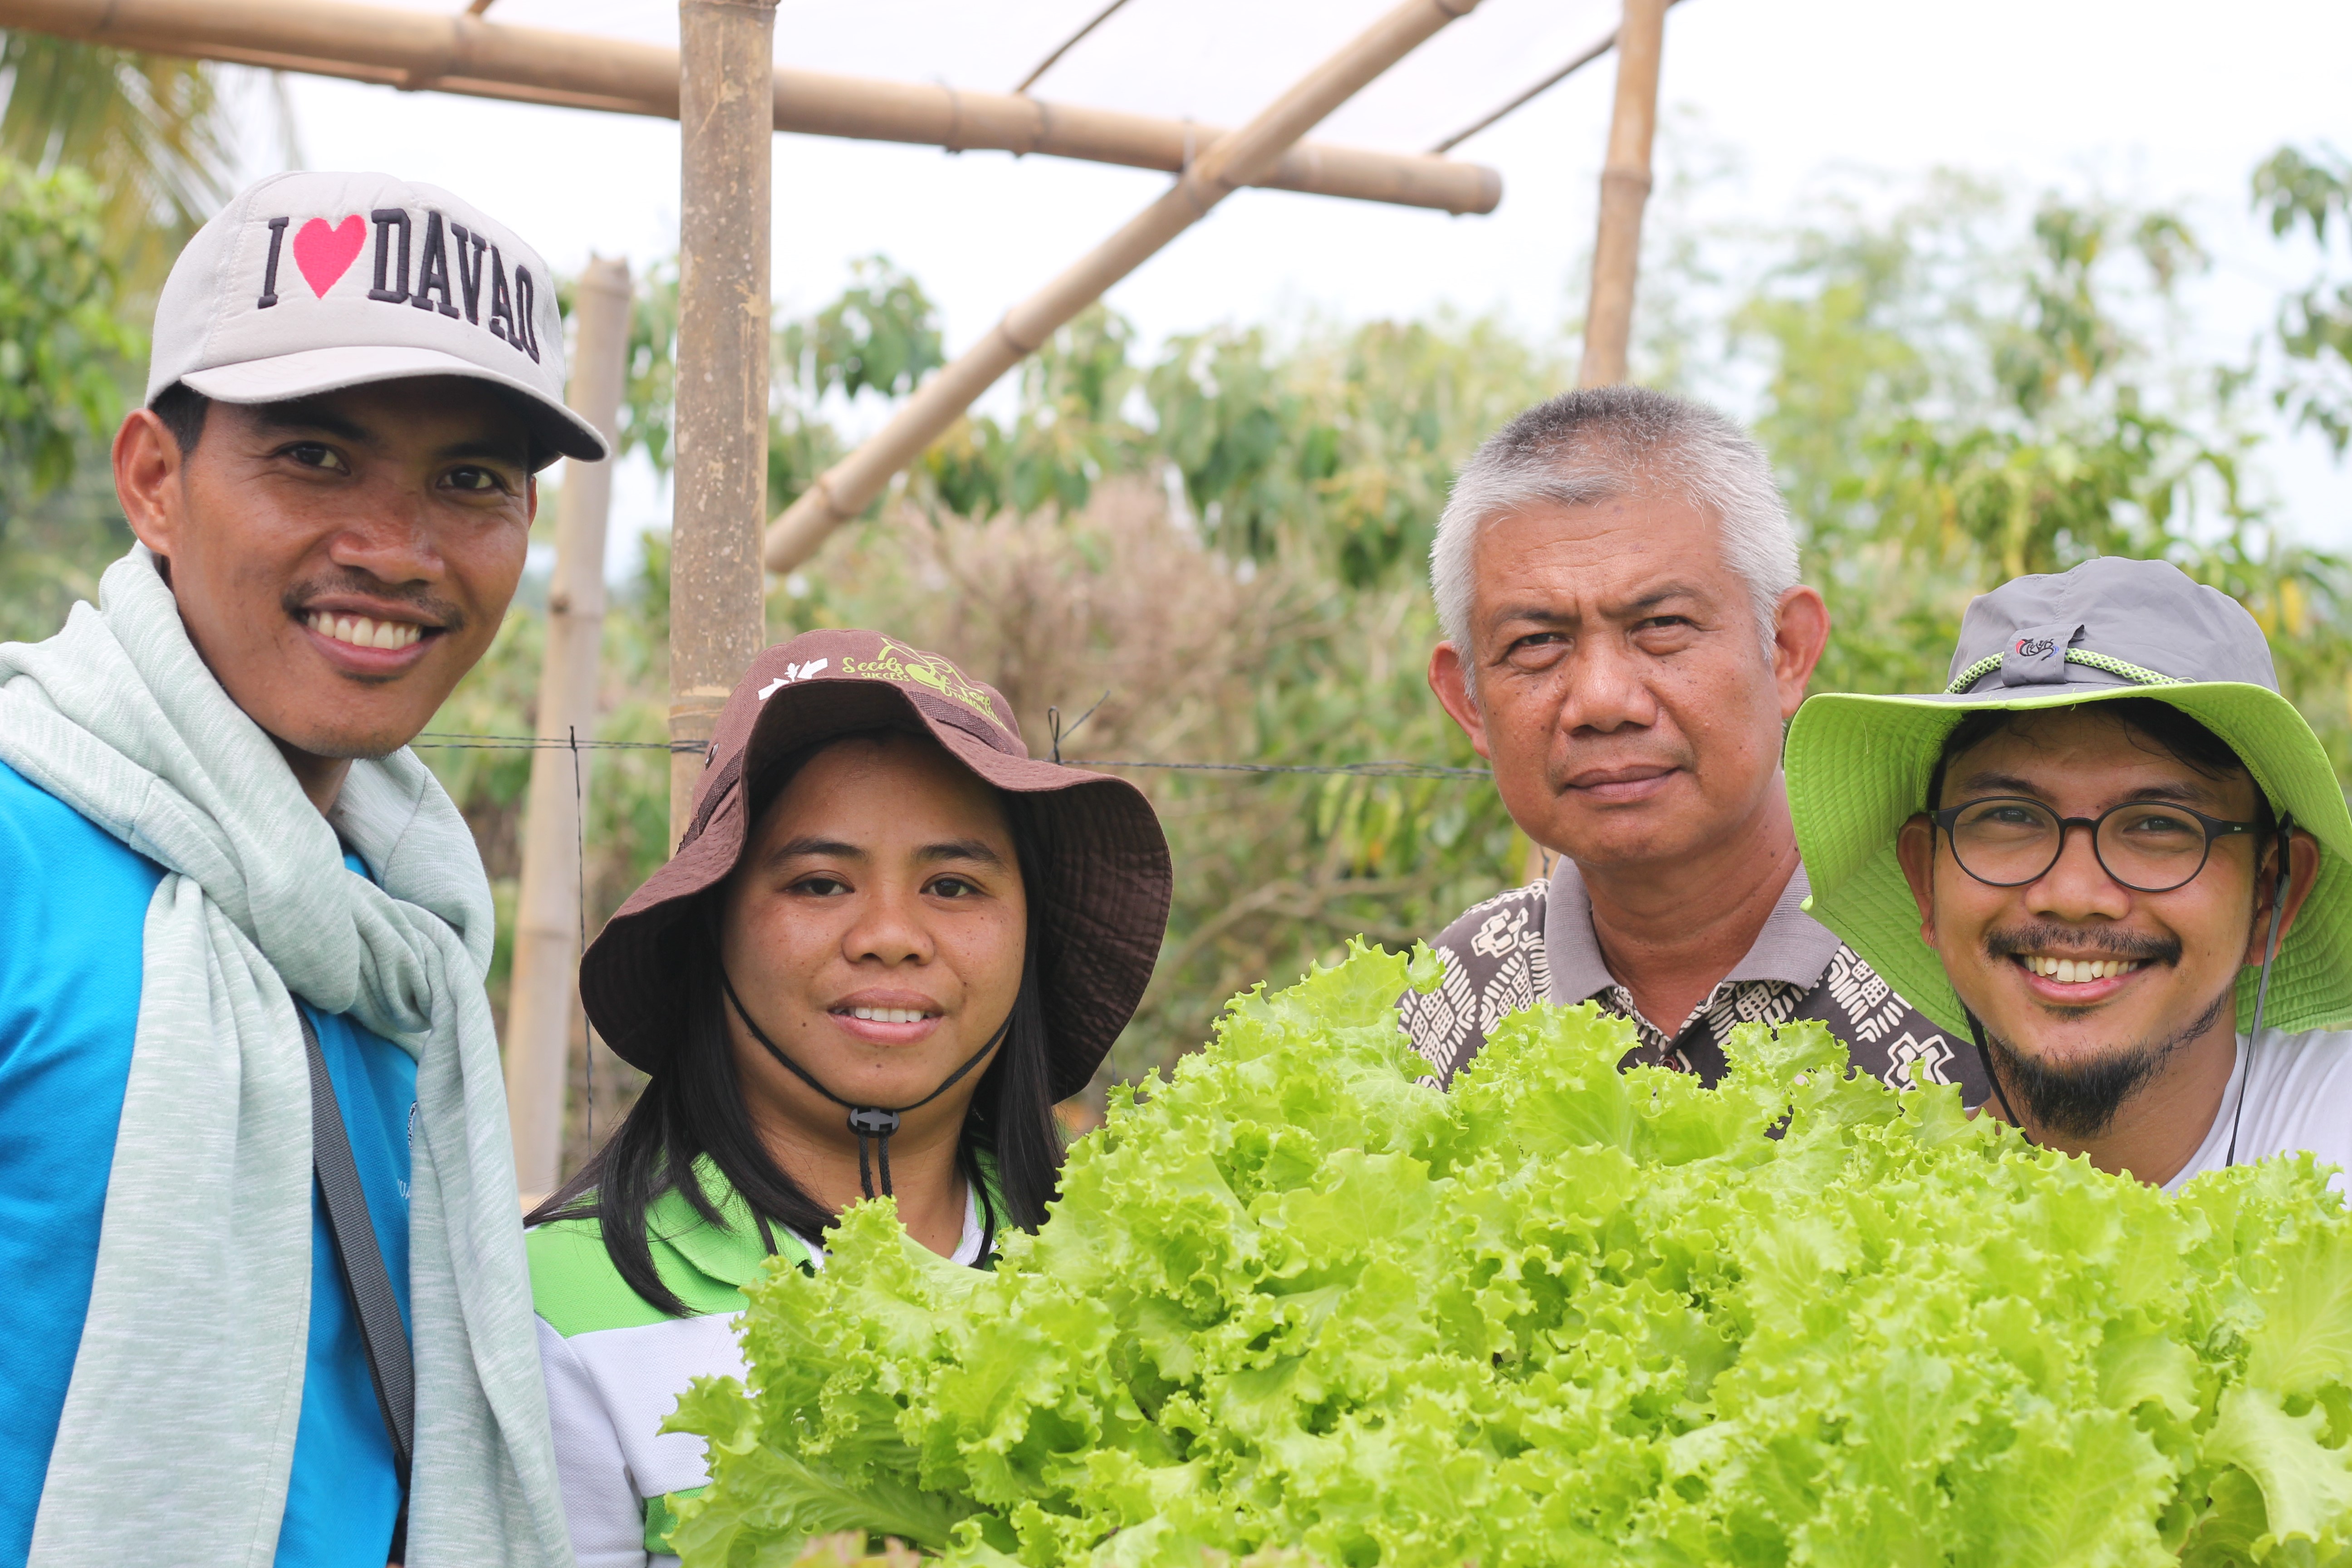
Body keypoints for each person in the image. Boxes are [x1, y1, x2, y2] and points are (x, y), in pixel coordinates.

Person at [0, 171, 604, 1567]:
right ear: (156, 480)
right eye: (317, 458)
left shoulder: (404, 944)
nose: (398, 551)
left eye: (471, 481)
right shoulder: (26, 861)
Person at [524, 629, 1172, 1566]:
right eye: (820, 883)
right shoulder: (567, 1308)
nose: (890, 936)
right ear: (712, 930)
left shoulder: (1122, 1274)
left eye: (953, 885)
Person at [1400, 386, 1988, 1103]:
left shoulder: (1974, 966)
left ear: (1787, 652)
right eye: (1537, 642)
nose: (1602, 701)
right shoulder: (1449, 1000)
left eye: (1663, 625)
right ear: (1468, 701)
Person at [1785, 556, 2352, 1188]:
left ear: (2271, 895)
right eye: (2008, 816)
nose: (2074, 895)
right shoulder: (1870, 1218)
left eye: (2158, 825)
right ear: (1926, 882)